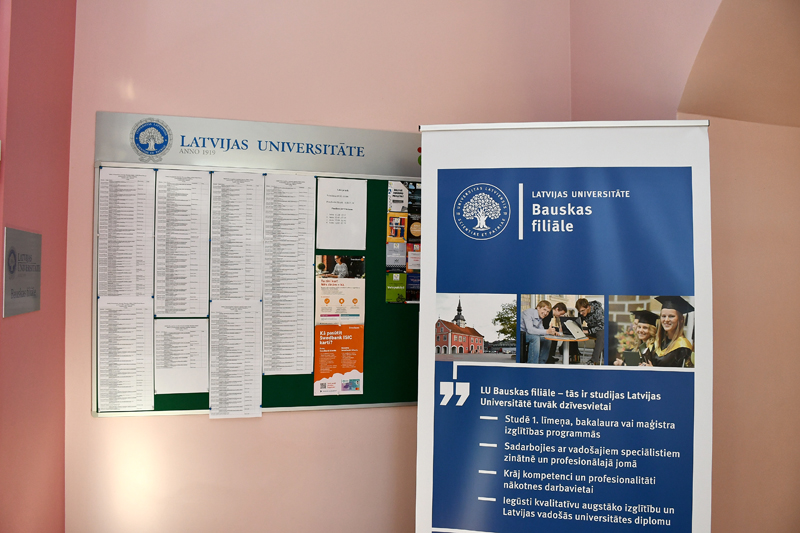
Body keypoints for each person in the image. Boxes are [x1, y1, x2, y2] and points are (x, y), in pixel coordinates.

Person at [644, 296, 694, 368]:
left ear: (681, 319)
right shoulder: (658, 343)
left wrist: (653, 370)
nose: (666, 320)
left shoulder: (683, 347)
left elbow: (681, 374)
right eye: (663, 316)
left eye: (671, 316)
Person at [520, 300, 556, 364]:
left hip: (529, 334)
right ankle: (533, 364)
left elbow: (541, 330)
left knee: (547, 339)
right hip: (521, 334)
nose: (545, 313)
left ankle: (541, 363)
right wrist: (547, 331)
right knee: (535, 338)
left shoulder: (540, 317)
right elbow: (530, 330)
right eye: (544, 309)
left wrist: (552, 333)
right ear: (538, 308)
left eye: (548, 311)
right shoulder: (528, 313)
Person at [576, 298, 604, 365]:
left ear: (588, 307)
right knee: (574, 330)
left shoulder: (598, 310)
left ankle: (593, 360)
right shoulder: (581, 311)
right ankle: (574, 354)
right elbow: (579, 322)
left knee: (601, 334)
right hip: (590, 328)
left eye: (582, 311)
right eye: (579, 311)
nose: (581, 313)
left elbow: (602, 326)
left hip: (600, 329)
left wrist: (588, 331)